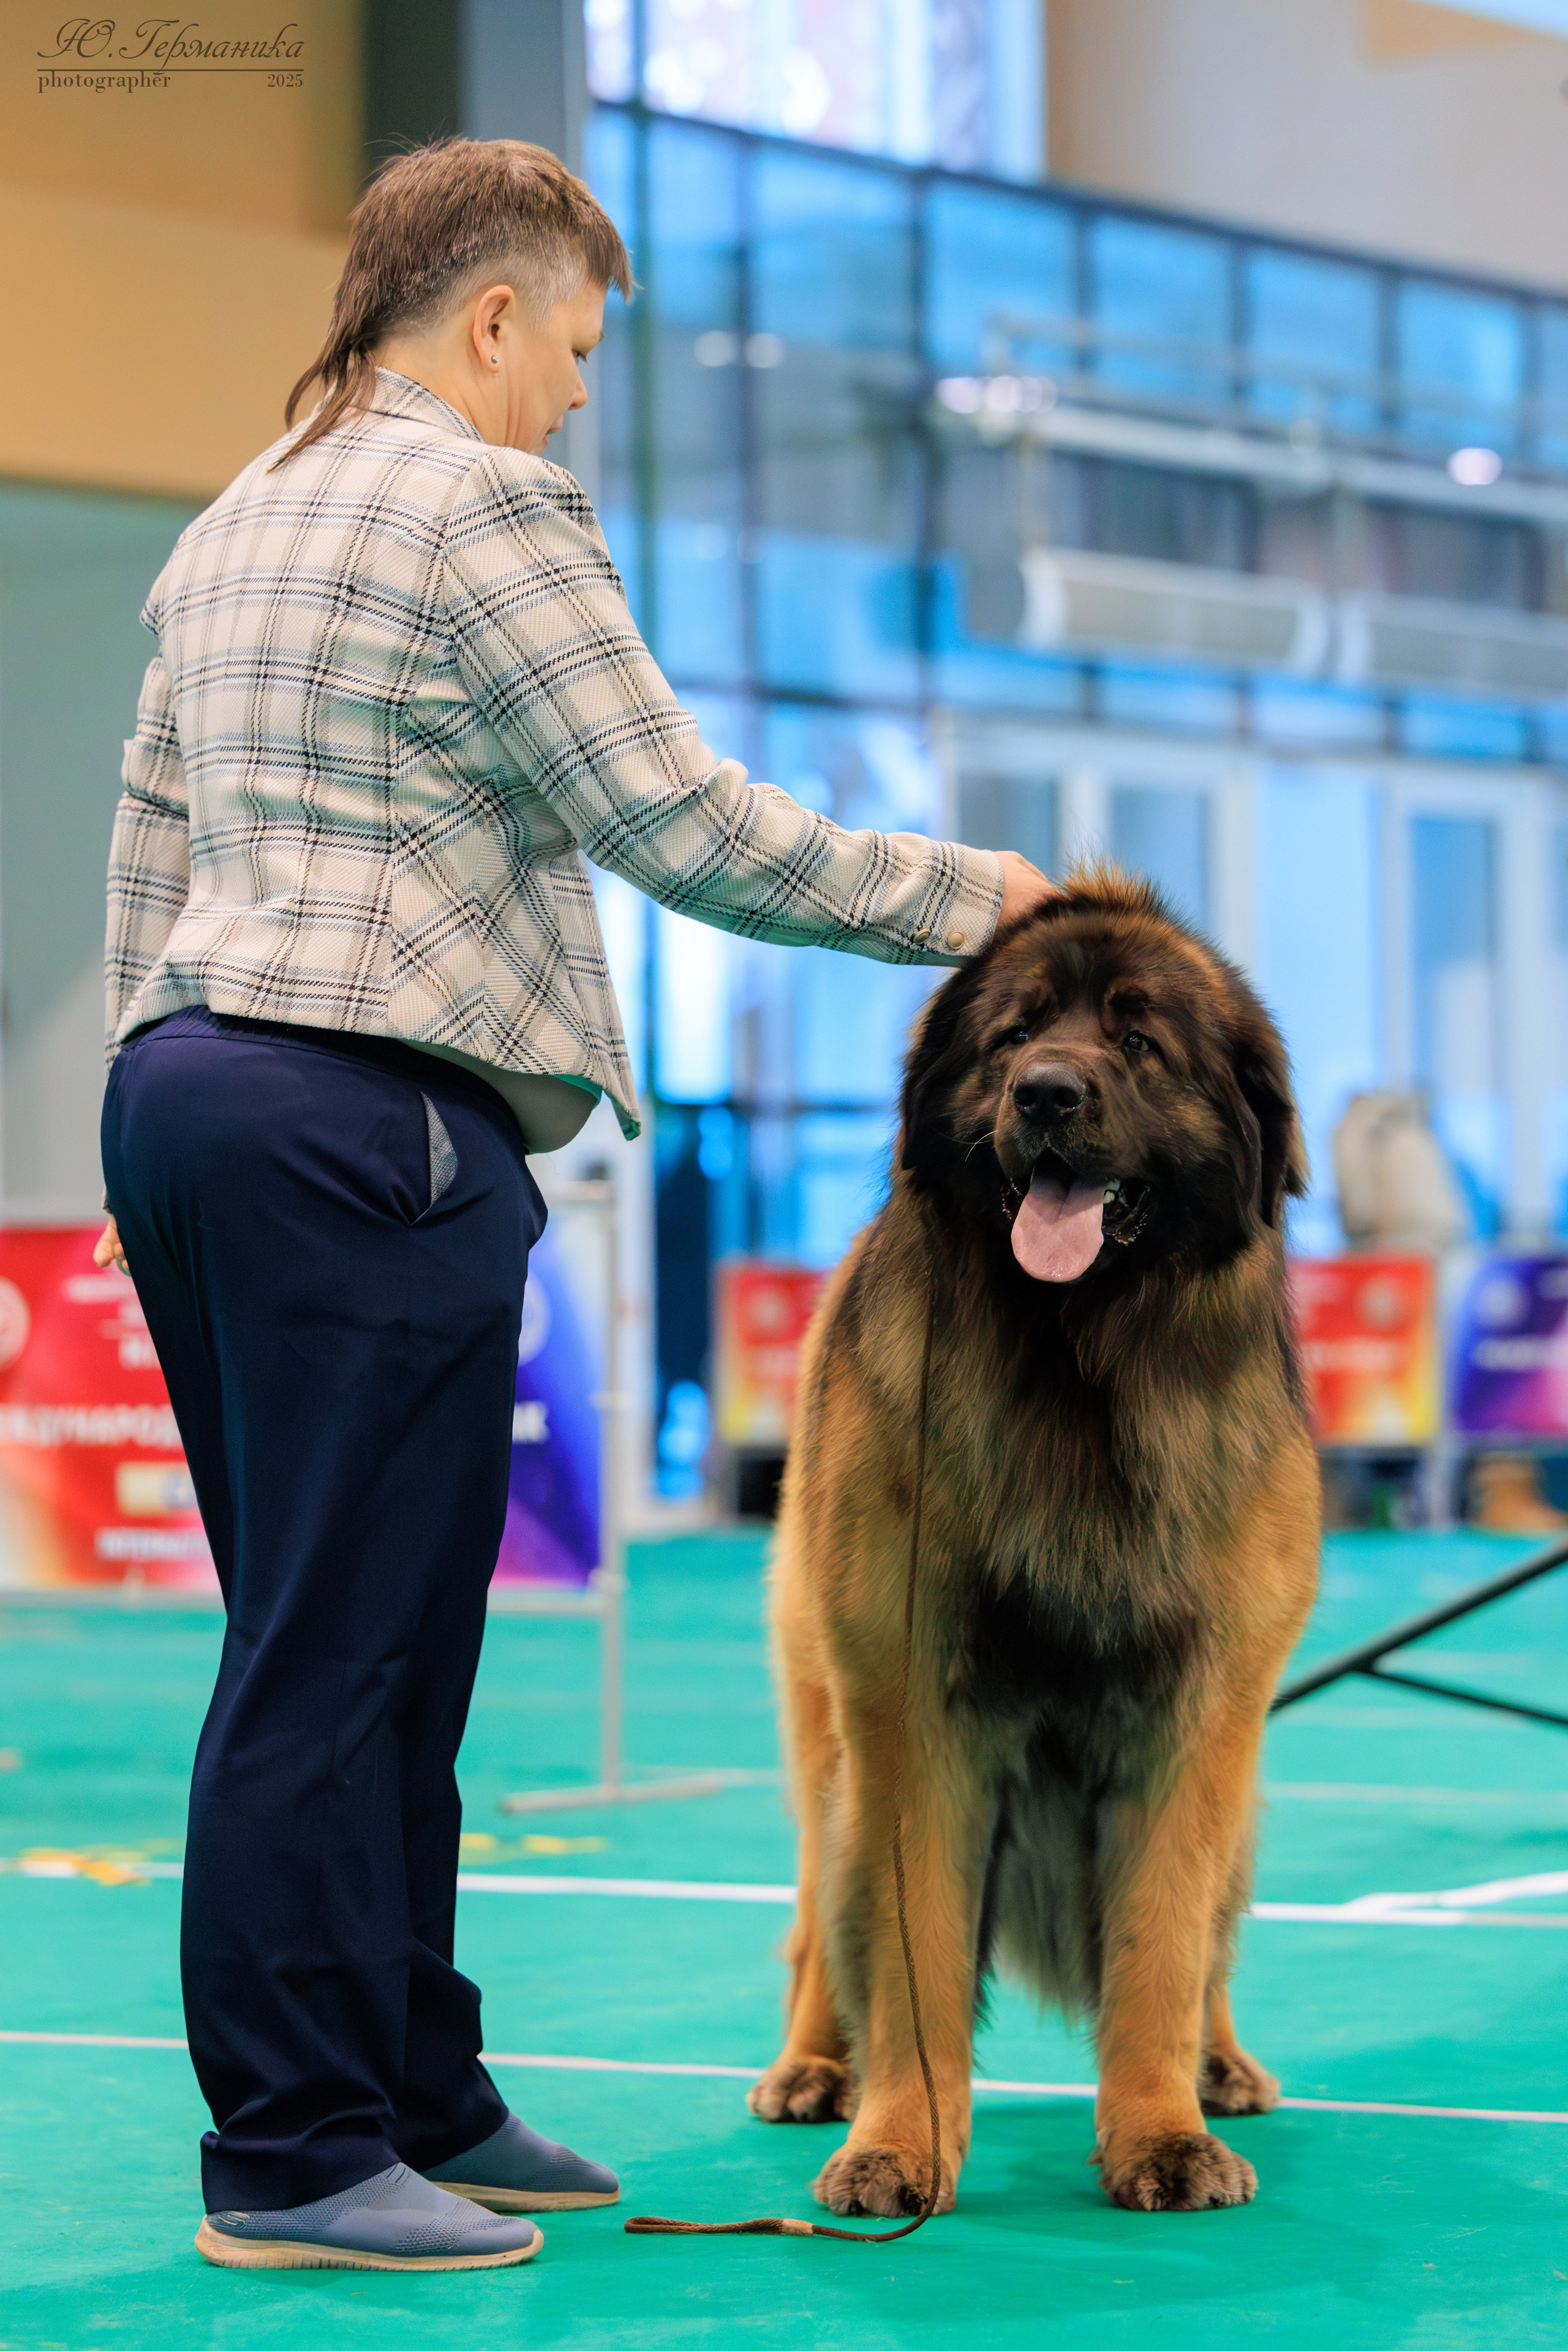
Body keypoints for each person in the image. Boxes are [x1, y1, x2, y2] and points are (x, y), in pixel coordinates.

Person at [96, 137, 1054, 2277]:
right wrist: (976, 899)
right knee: (342, 1659)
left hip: (195, 1097)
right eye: (580, 353)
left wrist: (147, 1115)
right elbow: (673, 815)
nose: (579, 404)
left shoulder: (228, 523)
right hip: (367, 1119)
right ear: (495, 315)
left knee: (373, 1645)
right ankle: (291, 2153)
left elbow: (149, 861)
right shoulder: (477, 500)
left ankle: (415, 2085)